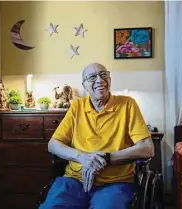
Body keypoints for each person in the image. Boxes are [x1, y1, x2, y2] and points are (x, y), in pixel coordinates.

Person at [39, 63, 154, 209]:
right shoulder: (76, 107)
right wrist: (83, 158)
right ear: (85, 85)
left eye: (103, 74)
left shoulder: (127, 104)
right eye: (92, 77)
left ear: (110, 80)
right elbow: (53, 144)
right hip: (74, 180)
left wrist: (105, 158)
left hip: (115, 182)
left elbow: (147, 148)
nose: (99, 80)